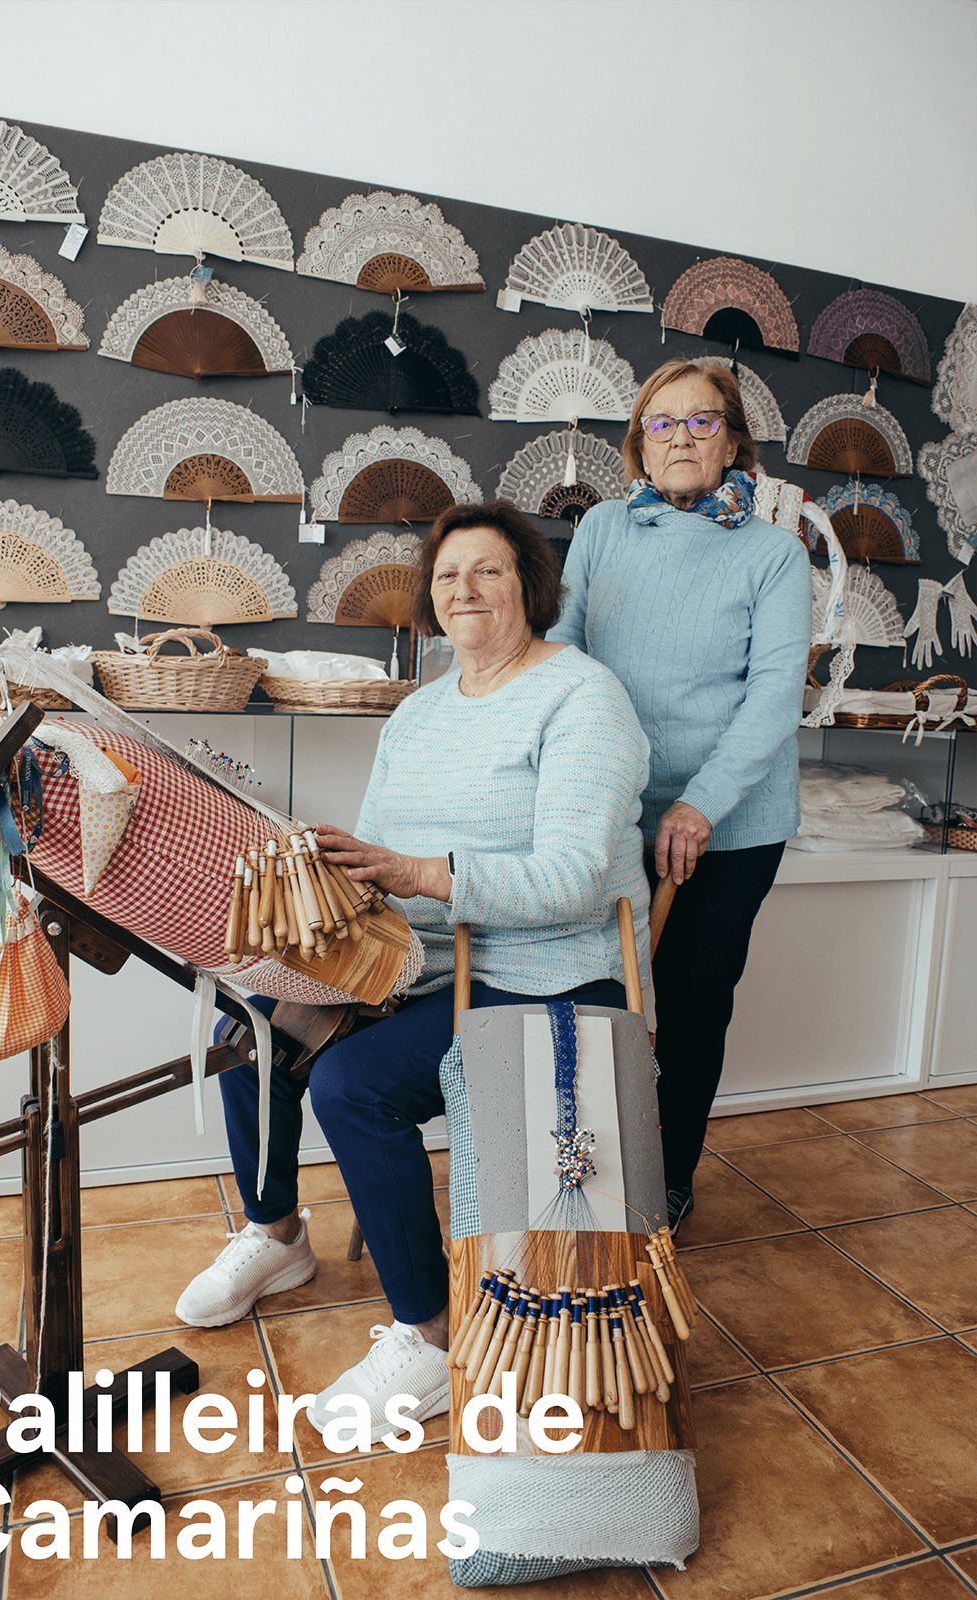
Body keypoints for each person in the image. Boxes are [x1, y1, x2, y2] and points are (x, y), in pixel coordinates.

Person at [176, 499, 651, 1438]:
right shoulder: (422, 709)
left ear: (530, 586)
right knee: (254, 1026)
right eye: (446, 575)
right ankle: (276, 1236)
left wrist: (418, 873)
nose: (464, 588)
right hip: (424, 959)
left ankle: (428, 1335)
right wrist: (323, 889)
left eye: (488, 570)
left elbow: (575, 879)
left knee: (355, 1084)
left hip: (546, 968)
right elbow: (382, 859)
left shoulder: (583, 695)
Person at [549, 358, 812, 1232]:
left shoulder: (773, 552)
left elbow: (775, 694)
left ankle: (664, 1180)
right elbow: (565, 653)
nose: (683, 438)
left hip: (730, 820)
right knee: (600, 1001)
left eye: (704, 422)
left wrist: (698, 805)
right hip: (611, 805)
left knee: (690, 1007)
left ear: (734, 439)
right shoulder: (600, 531)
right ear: (639, 442)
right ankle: (580, 1173)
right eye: (663, 423)